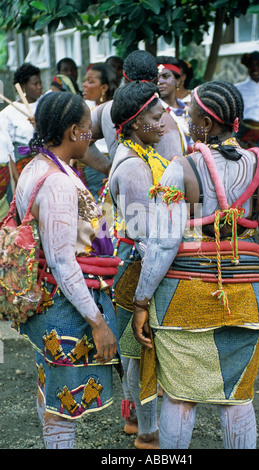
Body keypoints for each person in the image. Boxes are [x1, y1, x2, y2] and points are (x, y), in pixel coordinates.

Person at [132, 80, 259, 449]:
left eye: (191, 115)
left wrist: (141, 301)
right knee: (237, 396)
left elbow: (163, 244)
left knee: (179, 396)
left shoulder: (182, 169)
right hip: (248, 297)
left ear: (206, 122)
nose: (186, 120)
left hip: (183, 300)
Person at [14, 91, 121, 449]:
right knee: (66, 401)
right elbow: (62, 262)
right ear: (74, 131)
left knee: (50, 385)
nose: (91, 136)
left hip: (49, 299)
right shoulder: (59, 184)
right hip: (65, 308)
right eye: (89, 128)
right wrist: (98, 322)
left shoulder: (35, 166)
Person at [109, 80, 169, 449]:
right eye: (156, 115)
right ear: (134, 122)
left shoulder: (142, 154)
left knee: (139, 349)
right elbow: (144, 235)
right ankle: (148, 435)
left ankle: (139, 422)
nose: (164, 120)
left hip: (139, 261)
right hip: (136, 266)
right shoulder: (133, 167)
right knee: (139, 350)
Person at [77, 63, 118, 200]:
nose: (84, 84)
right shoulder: (84, 107)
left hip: (106, 168)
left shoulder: (116, 110)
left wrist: (109, 167)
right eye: (85, 80)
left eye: (90, 81)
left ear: (104, 87)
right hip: (92, 168)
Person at [0, 63, 42, 186]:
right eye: (35, 84)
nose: (39, 87)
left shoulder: (45, 105)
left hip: (45, 163)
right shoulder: (8, 113)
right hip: (23, 168)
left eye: (40, 83)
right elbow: (9, 150)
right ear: (23, 86)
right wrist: (18, 179)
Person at [156, 56, 192, 151]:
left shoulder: (188, 110)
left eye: (166, 76)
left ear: (178, 80)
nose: (160, 82)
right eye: (157, 77)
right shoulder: (154, 112)